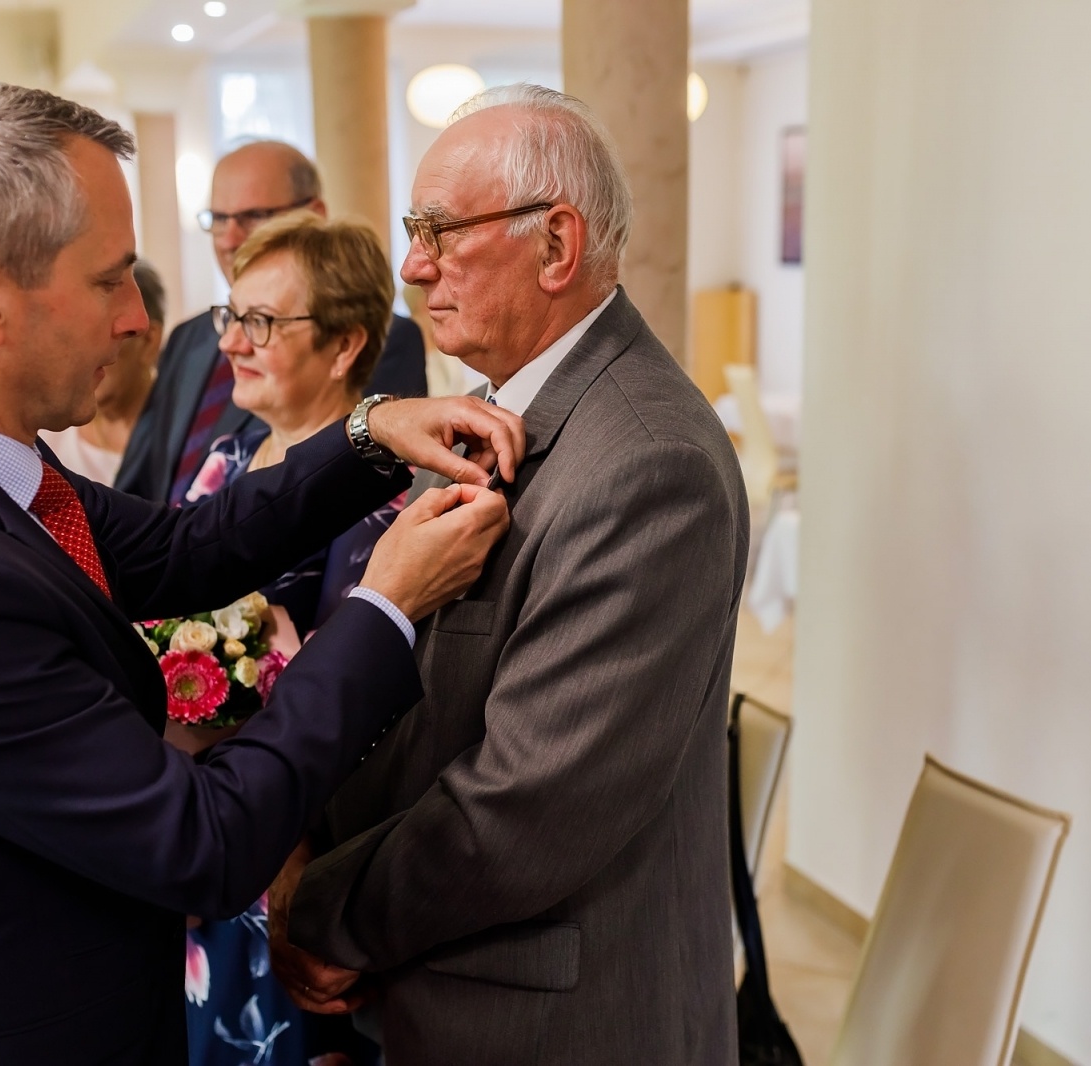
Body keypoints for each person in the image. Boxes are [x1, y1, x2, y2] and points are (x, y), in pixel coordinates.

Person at [0, 75, 520, 1064]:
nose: (137, 318)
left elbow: (180, 550)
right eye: (109, 278)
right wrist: (385, 604)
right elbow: (202, 843)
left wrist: (371, 433)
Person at [269, 84, 751, 1065]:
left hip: (548, 1020)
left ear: (556, 245)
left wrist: (325, 908)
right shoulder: (509, 406)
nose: (412, 265)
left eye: (440, 230)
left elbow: (527, 803)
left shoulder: (648, 463)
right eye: (415, 231)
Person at [177, 213, 403, 1066]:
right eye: (230, 316)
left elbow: (355, 710)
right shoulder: (228, 455)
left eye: (263, 323)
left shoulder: (380, 499)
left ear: (346, 345)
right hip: (203, 833)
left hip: (292, 857)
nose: (233, 341)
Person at [114, 140, 429, 504]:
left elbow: (368, 465)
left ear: (313, 213)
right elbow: (138, 483)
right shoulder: (190, 338)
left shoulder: (385, 338)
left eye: (253, 215)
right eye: (218, 219)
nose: (229, 240)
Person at [40, 258, 166, 485]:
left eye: (106, 332)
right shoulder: (46, 437)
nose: (84, 352)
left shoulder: (182, 434)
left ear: (149, 341)